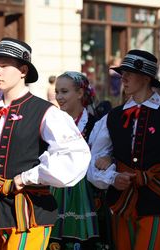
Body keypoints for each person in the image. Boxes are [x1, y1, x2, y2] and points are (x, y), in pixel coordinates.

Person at [0, 37, 91, 249]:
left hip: (30, 212)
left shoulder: (46, 113)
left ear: (23, 71)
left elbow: (76, 155)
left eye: (4, 66)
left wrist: (29, 176)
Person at [87, 49, 160, 250]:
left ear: (147, 78)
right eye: (123, 73)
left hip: (157, 202)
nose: (124, 77)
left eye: (130, 72)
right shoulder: (112, 117)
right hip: (121, 203)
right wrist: (113, 177)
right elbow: (95, 158)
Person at [48, 71, 101, 249]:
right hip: (56, 191)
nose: (59, 97)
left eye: (64, 91)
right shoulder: (51, 122)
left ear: (80, 93)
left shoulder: (96, 123)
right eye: (57, 92)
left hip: (87, 194)